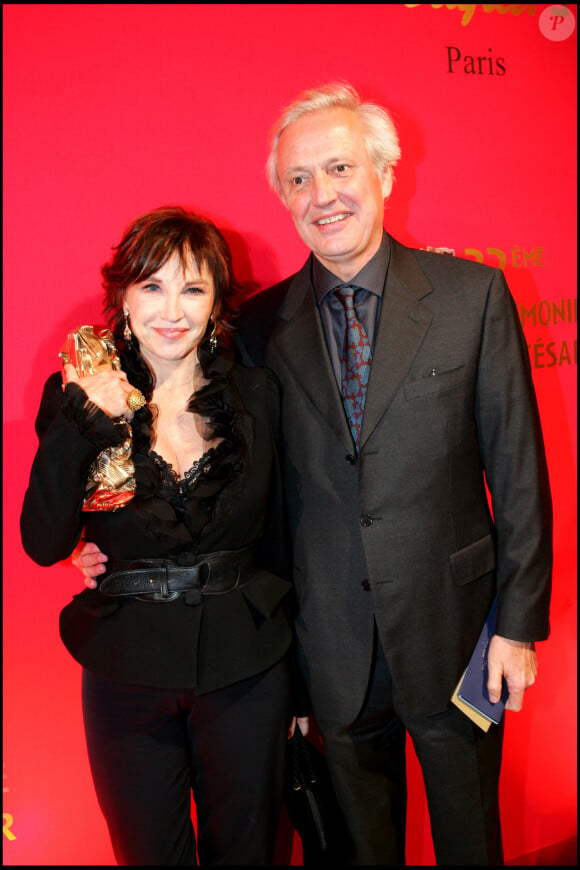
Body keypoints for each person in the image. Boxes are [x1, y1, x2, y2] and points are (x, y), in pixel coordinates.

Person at [74, 84, 553, 866]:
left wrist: (519, 625)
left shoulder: (473, 297)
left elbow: (518, 470)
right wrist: (101, 544)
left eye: (339, 168)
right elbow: (238, 493)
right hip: (326, 650)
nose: (321, 195)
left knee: (473, 841)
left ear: (385, 174)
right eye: (299, 179)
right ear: (282, 196)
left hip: (458, 636)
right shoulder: (258, 328)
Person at [20, 206, 296, 866]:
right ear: (123, 295)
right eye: (152, 286)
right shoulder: (78, 391)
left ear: (216, 302)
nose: (171, 309)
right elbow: (43, 540)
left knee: (251, 852)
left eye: (192, 288)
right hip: (125, 668)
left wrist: (304, 690)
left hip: (247, 668)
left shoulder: (258, 395)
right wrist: (84, 423)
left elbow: (286, 538)